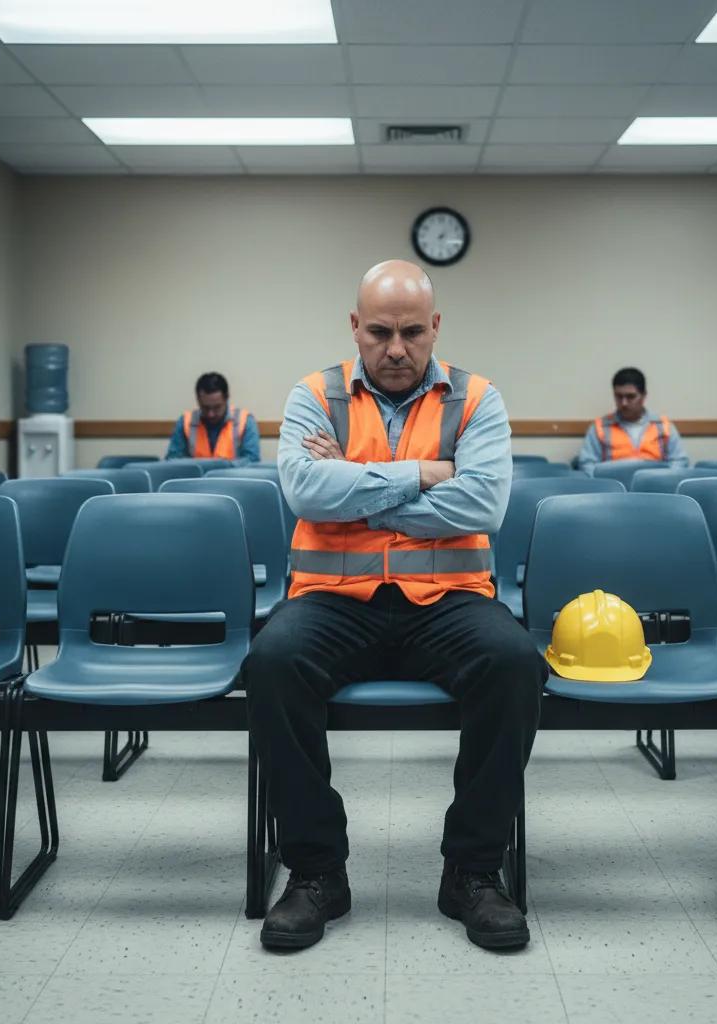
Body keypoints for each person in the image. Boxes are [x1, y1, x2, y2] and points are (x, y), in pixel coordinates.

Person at [241, 260, 547, 953]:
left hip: (449, 601)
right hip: (332, 601)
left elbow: (482, 504)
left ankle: (472, 870)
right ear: (355, 327)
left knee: (515, 664)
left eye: (412, 332)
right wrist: (426, 474)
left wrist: (355, 487)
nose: (397, 349)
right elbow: (306, 493)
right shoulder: (313, 395)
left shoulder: (478, 399)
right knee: (271, 664)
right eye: (380, 332)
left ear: (435, 327)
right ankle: (317, 871)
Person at [577, 367, 688, 472]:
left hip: (655, 484)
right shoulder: (600, 427)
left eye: (630, 396)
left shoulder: (663, 426)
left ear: (643, 396)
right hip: (614, 485)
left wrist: (663, 478)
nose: (624, 403)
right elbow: (587, 463)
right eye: (619, 396)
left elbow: (679, 461)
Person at [164, 372, 260, 462]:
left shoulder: (245, 421)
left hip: (232, 474)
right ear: (198, 400)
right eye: (205, 408)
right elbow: (173, 460)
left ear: (227, 398)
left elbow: (251, 461)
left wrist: (223, 467)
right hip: (196, 475)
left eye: (217, 407)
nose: (211, 414)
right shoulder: (185, 422)